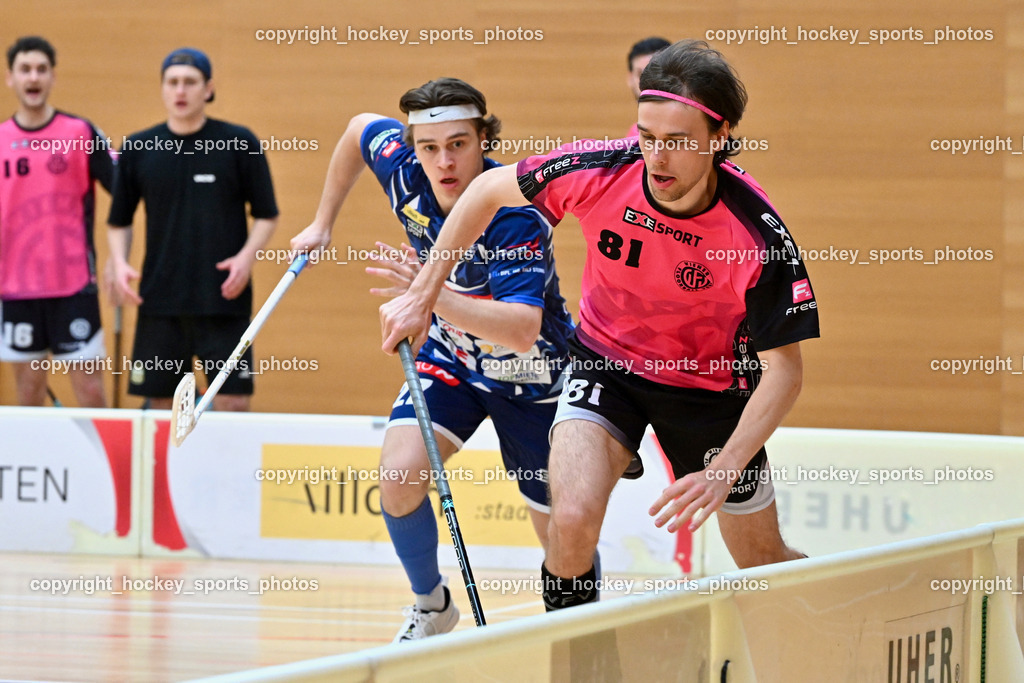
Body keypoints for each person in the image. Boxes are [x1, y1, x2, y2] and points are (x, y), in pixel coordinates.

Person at [380, 40, 819, 613]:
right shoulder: (602, 169)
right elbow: (488, 189)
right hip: (605, 367)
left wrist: (724, 468)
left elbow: (783, 370)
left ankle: (838, 624)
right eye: (648, 137)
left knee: (763, 564)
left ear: (720, 136)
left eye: (679, 142)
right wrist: (423, 292)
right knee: (570, 520)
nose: (657, 159)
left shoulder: (755, 234)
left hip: (707, 394)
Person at [289, 78, 574, 640]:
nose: (443, 162)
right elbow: (355, 131)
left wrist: (427, 293)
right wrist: (323, 222)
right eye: (429, 146)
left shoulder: (513, 209)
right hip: (451, 356)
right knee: (398, 475)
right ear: (412, 145)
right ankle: (432, 605)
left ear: (484, 138)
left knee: (563, 538)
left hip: (531, 376)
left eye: (459, 144)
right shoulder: (404, 171)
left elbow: (522, 329)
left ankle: (577, 641)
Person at [107, 48, 278, 411]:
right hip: (160, 301)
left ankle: (221, 470)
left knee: (233, 402)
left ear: (208, 88)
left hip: (223, 299)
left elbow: (267, 214)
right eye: (172, 82)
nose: (180, 91)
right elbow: (118, 221)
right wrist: (120, 264)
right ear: (163, 89)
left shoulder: (238, 143)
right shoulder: (140, 147)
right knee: (160, 406)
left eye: (190, 82)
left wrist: (246, 259)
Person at [0, 36, 112, 407]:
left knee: (90, 390)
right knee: (29, 394)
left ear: (52, 77)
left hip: (75, 287)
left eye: (41, 69)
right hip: (16, 290)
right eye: (25, 69)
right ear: (10, 78)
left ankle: (102, 466)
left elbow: (125, 187)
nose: (34, 77)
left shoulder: (79, 133)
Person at [626, 36, 671, 135]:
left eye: (656, 73)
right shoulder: (634, 133)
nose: (647, 83)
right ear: (630, 79)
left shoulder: (692, 127)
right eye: (640, 75)